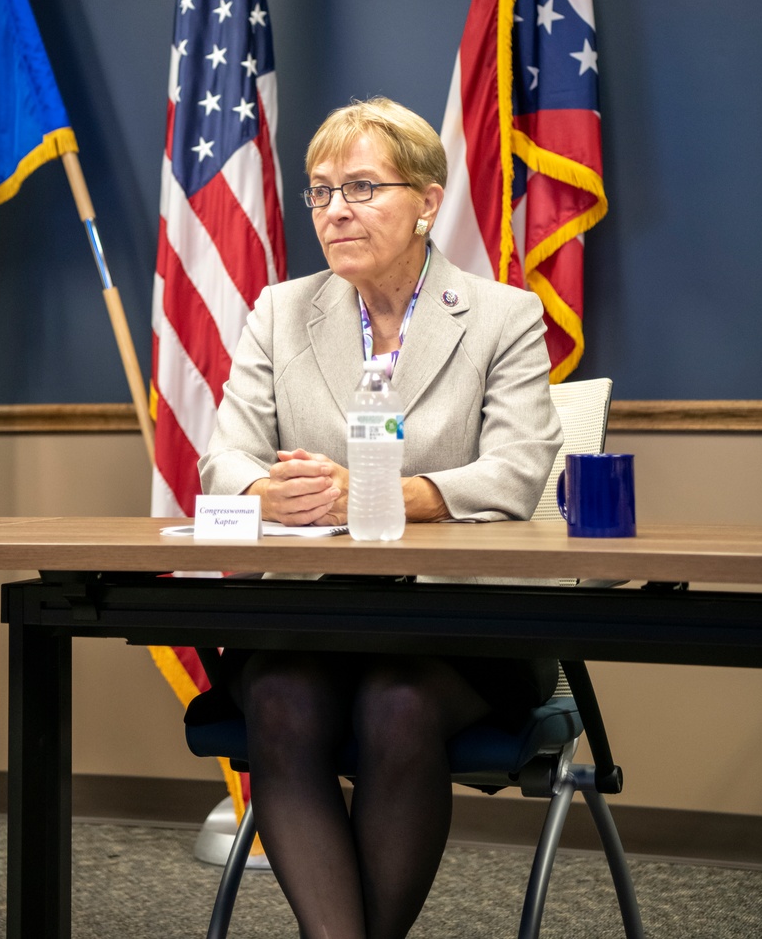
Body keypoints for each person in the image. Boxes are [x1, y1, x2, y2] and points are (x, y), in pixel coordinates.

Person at [198, 97, 562, 939]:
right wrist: (265, 495)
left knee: (396, 705)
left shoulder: (502, 316)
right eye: (320, 192)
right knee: (281, 698)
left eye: (361, 187)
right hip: (308, 618)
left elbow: (515, 473)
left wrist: (388, 494)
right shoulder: (282, 311)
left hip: (458, 629)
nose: (335, 211)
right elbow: (225, 459)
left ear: (428, 201)